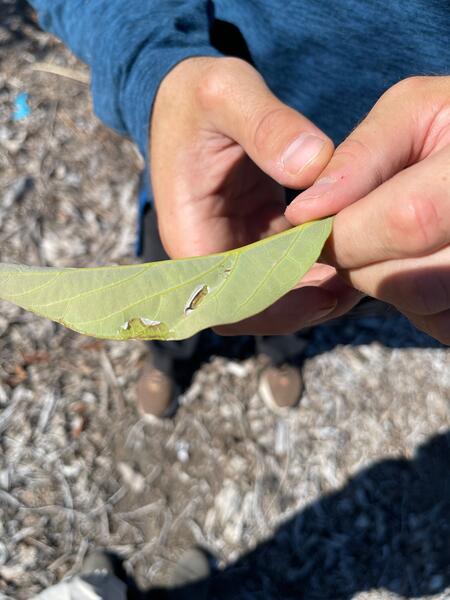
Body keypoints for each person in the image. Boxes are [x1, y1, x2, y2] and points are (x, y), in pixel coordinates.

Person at [28, 1, 450, 419]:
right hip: (212, 156)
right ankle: (167, 359)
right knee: (176, 290)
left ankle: (283, 353)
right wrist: (155, 65)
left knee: (312, 298)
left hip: (405, 187)